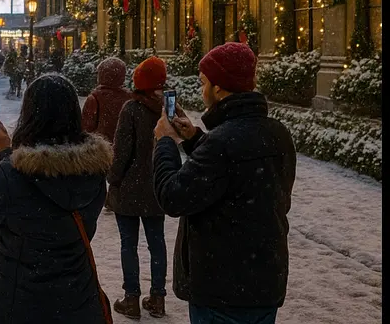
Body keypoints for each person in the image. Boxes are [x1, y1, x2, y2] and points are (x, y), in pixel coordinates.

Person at [0, 74, 114, 324]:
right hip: (75, 301)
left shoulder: (13, 176)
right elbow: (43, 187)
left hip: (16, 305)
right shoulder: (92, 171)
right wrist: (8, 151)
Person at [153, 43, 297, 324]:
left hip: (222, 287)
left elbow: (171, 196)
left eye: (204, 82)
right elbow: (238, 170)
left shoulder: (222, 143)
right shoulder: (277, 133)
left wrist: (166, 142)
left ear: (218, 88)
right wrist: (195, 138)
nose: (202, 89)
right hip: (265, 279)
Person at [109, 57, 179, 320]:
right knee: (156, 242)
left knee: (129, 244)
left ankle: (132, 298)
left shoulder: (131, 109)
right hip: (156, 186)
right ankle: (158, 298)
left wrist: (113, 179)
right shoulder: (167, 109)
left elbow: (122, 152)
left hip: (129, 187)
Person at [81, 57, 129, 145]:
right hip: (123, 147)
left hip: (101, 148)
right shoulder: (130, 98)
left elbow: (86, 128)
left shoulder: (95, 98)